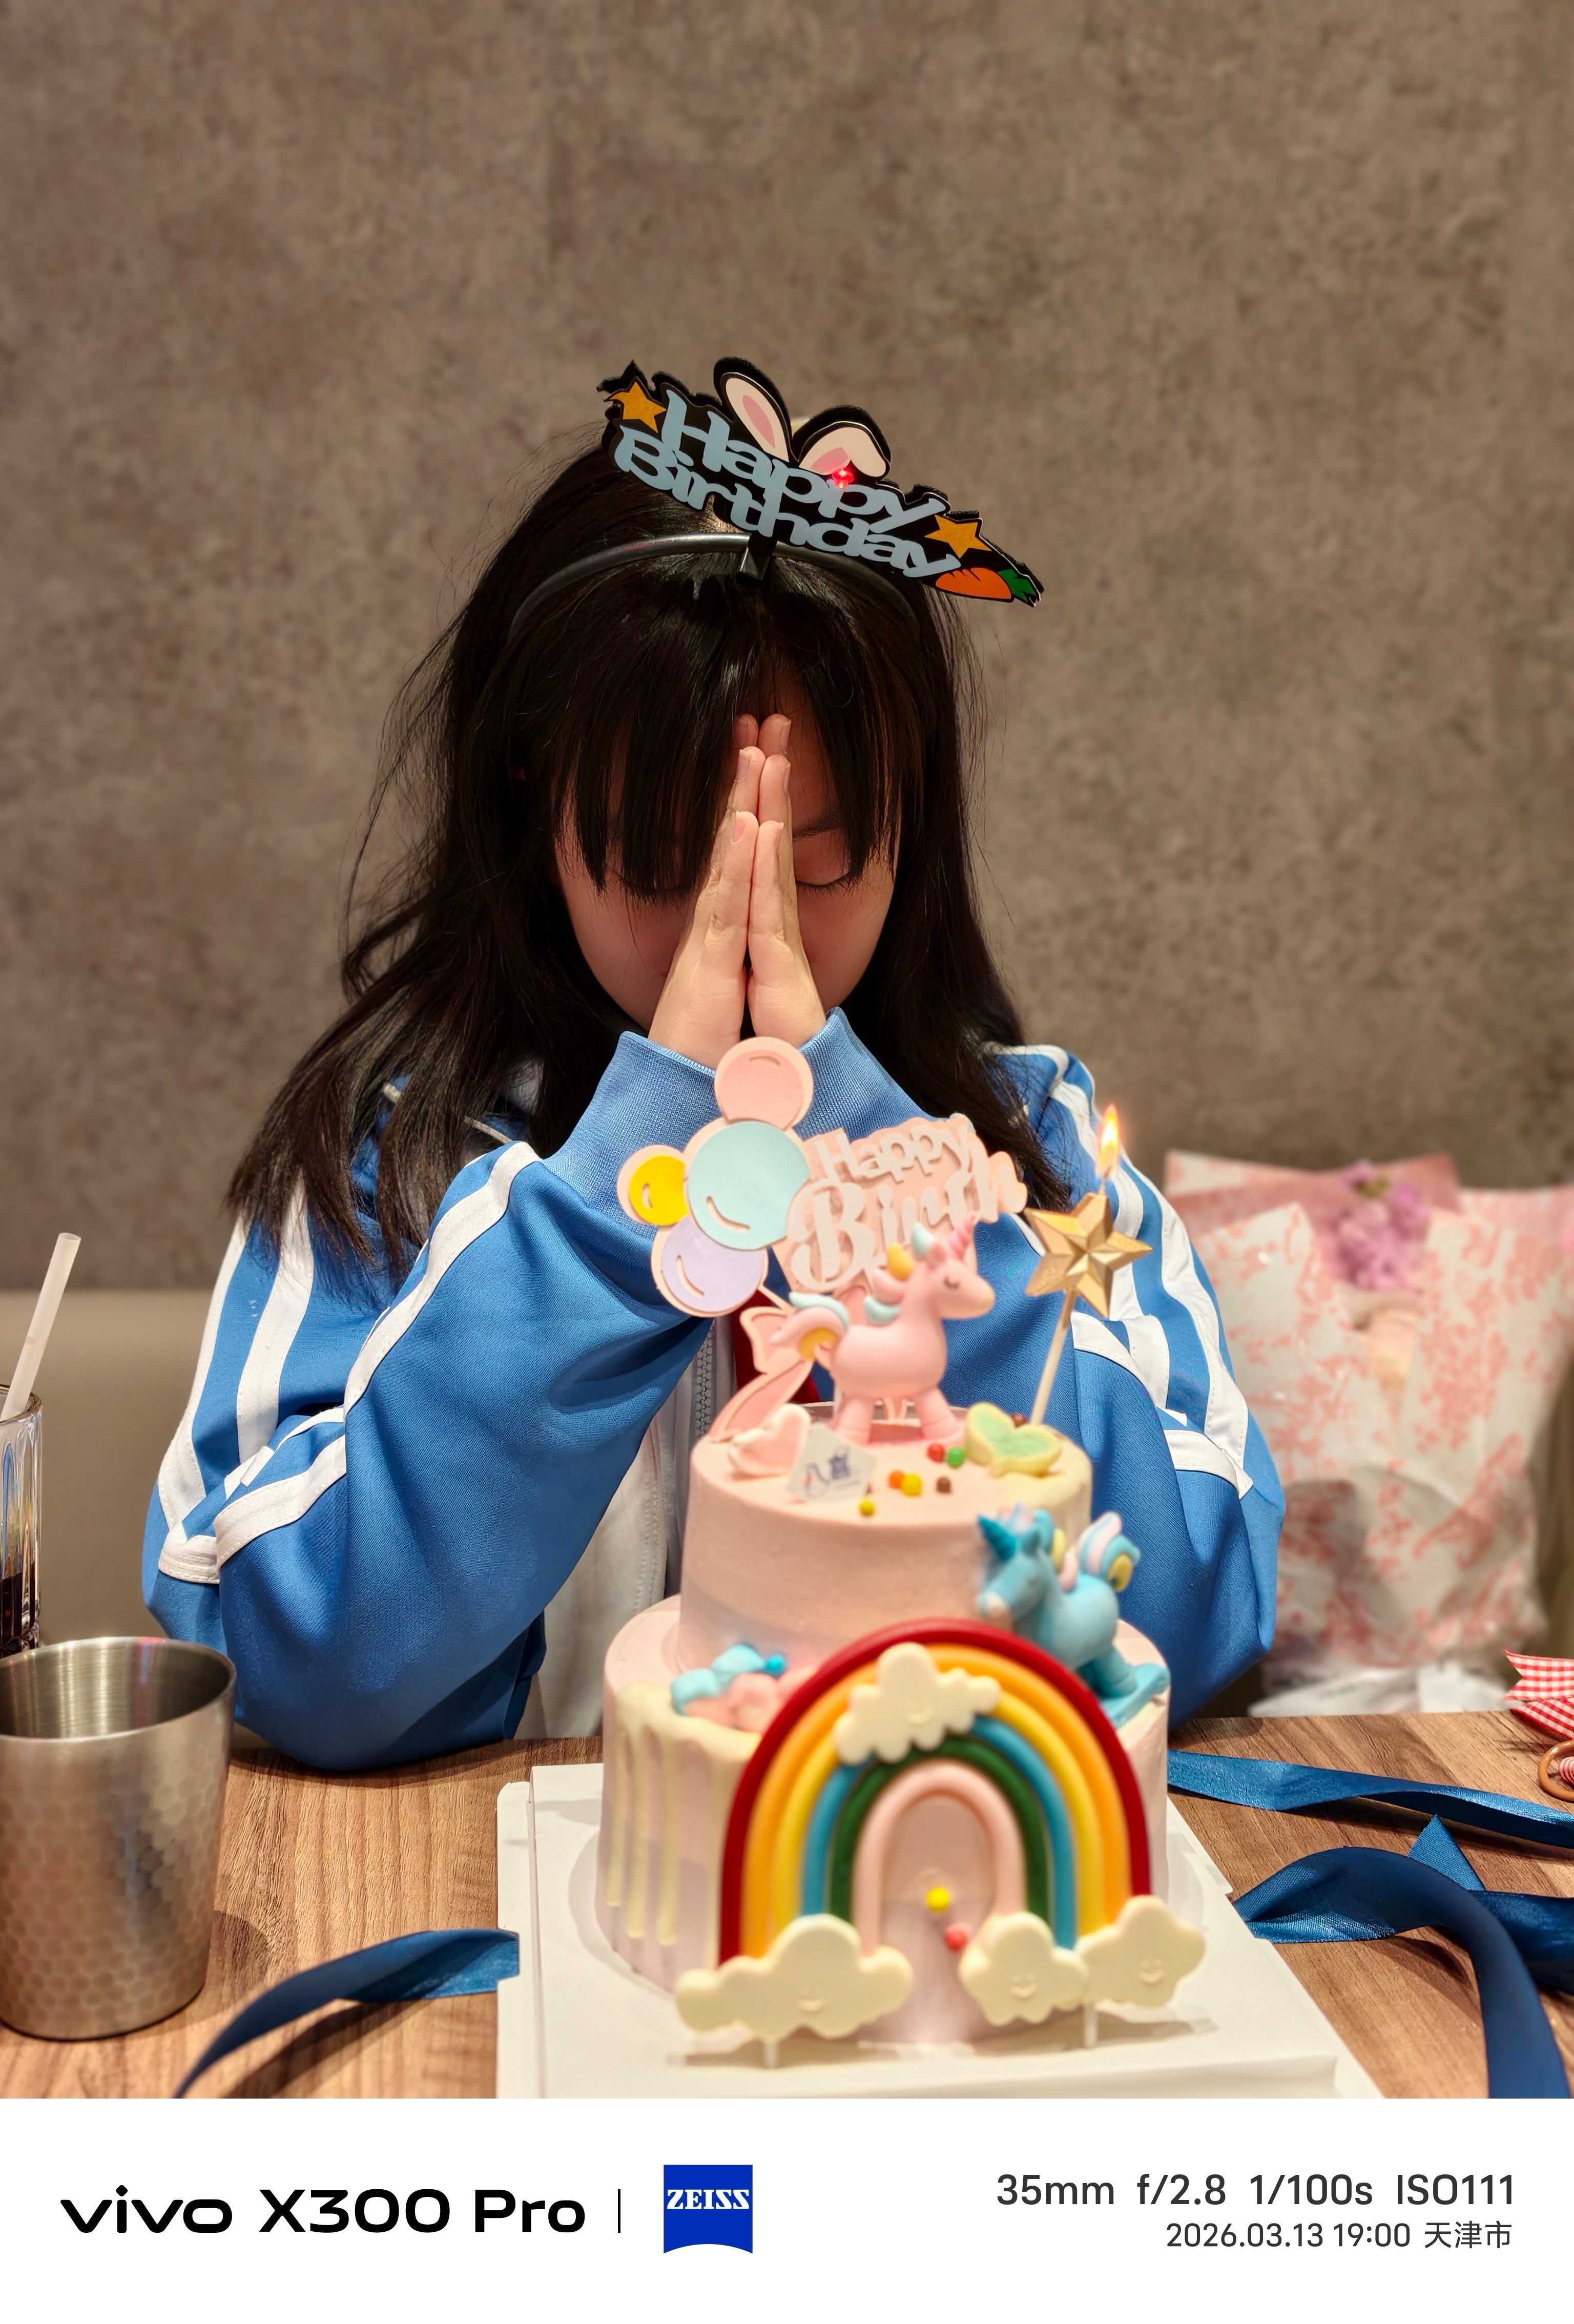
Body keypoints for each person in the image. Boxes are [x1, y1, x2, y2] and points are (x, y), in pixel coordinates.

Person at [146, 437, 1282, 1767]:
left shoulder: (1035, 1149)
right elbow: (282, 1661)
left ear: (910, 827)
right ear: (534, 804)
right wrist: (627, 1189)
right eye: (659, 858)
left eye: (819, 861)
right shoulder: (390, 1159)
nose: (741, 929)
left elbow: (1191, 1615)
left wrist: (883, 1181)